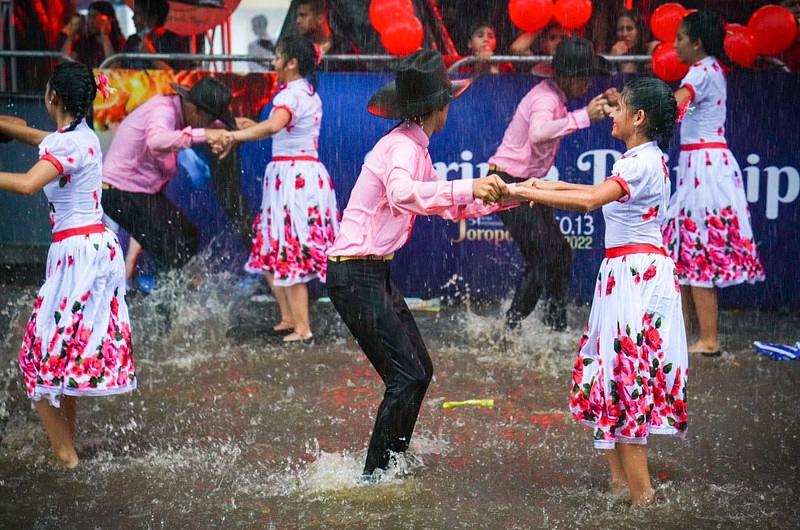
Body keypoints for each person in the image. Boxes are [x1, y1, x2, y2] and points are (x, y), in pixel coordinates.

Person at [324, 49, 514, 481]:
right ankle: (373, 478)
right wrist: (472, 185)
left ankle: (391, 462)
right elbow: (403, 195)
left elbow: (445, 207)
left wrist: (513, 196)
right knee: (405, 375)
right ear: (438, 108)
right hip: (354, 275)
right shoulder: (401, 147)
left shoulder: (414, 147)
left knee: (418, 371)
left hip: (371, 273)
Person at [506, 77, 687, 507]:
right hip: (630, 274)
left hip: (634, 278)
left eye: (619, 107)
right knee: (612, 376)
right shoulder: (645, 158)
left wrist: (526, 189)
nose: (612, 112)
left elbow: (589, 201)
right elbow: (588, 192)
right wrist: (529, 187)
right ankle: (622, 488)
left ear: (638, 118)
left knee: (625, 382)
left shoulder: (636, 164)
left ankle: (643, 499)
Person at [0, 63, 137, 469]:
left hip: (78, 255)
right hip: (90, 251)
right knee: (65, 352)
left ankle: (65, 455)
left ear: (52, 97)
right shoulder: (82, 137)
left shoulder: (67, 145)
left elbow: (27, 184)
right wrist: (16, 130)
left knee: (36, 358)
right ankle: (68, 446)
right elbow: (47, 141)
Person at [219, 35, 340, 343]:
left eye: (277, 57)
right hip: (292, 175)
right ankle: (288, 318)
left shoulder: (292, 96)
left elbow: (273, 126)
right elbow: (278, 127)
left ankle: (303, 327)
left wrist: (233, 137)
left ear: (292, 62)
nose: (273, 63)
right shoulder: (302, 93)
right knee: (274, 248)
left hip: (294, 179)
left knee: (289, 247)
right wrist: (247, 127)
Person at [488, 37, 611, 331]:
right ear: (569, 76)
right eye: (586, 77)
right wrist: (584, 117)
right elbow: (539, 133)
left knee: (559, 252)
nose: (589, 84)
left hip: (524, 185)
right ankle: (510, 331)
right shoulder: (546, 98)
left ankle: (554, 327)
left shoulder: (554, 96)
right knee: (543, 259)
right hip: (508, 186)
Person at [664, 11, 765, 356]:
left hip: (705, 169)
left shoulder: (701, 70)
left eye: (679, 38)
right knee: (683, 253)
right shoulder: (709, 70)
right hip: (702, 166)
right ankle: (686, 336)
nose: (674, 45)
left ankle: (708, 340)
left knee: (696, 253)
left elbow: (673, 107)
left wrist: (635, 107)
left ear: (697, 43)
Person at [100, 76, 235, 282]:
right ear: (195, 110)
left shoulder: (185, 111)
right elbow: (155, 141)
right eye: (208, 120)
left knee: (183, 240)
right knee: (174, 246)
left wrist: (234, 131)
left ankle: (164, 301)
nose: (210, 125)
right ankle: (165, 305)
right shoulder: (163, 111)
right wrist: (204, 134)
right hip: (119, 192)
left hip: (137, 192)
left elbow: (217, 127)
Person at [120, 0, 191, 70]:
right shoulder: (132, 41)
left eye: (138, 13)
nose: (133, 18)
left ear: (153, 18)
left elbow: (179, 77)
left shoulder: (175, 41)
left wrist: (152, 56)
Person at [60, 1, 125, 68]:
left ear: (109, 19)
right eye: (89, 17)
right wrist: (72, 34)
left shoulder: (120, 43)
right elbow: (63, 63)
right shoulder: (84, 42)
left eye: (94, 17)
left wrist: (105, 37)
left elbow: (114, 68)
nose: (90, 21)